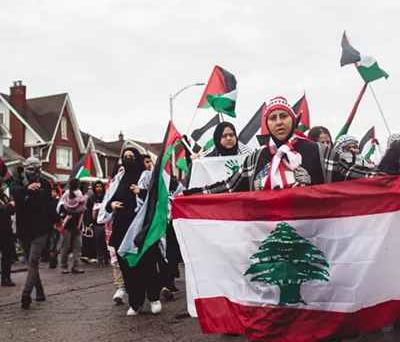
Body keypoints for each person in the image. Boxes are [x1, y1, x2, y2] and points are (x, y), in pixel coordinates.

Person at [184, 96, 386, 196]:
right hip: (268, 238)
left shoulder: (317, 152)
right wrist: (193, 195)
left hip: (313, 236)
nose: (279, 122)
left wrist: (389, 176)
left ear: (293, 120)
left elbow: (352, 173)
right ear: (267, 124)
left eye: (283, 116)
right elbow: (229, 186)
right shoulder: (256, 158)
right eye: (273, 118)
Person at [98, 147, 162, 316]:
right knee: (127, 267)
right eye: (125, 157)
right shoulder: (119, 178)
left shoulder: (146, 176)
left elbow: (156, 198)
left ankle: (154, 298)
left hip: (142, 229)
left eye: (131, 157)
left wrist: (140, 192)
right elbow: (108, 200)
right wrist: (111, 206)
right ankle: (135, 302)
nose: (128, 160)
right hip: (121, 228)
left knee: (146, 264)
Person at [10, 157, 60, 309]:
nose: (33, 172)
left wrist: (57, 220)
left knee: (33, 260)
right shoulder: (17, 182)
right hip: (24, 229)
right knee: (32, 262)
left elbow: (50, 205)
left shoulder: (44, 183)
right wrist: (27, 188)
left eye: (36, 169)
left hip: (41, 228)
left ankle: (26, 293)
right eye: (30, 168)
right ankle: (39, 288)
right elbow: (13, 191)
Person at [59, 178, 86, 274]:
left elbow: (60, 208)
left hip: (68, 223)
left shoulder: (65, 195)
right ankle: (75, 265)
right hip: (75, 223)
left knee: (68, 246)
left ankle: (66, 266)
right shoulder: (80, 196)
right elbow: (82, 210)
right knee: (75, 247)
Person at [85, 180, 108, 267]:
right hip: (96, 224)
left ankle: (106, 258)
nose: (99, 188)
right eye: (97, 187)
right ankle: (100, 259)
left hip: (106, 223)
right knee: (98, 242)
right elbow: (88, 213)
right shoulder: (91, 199)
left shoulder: (106, 198)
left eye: (100, 187)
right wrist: (88, 224)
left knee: (106, 242)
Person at [0, 177, 16, 287]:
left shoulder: (4, 196)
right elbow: (5, 208)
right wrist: (9, 206)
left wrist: (9, 206)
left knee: (7, 254)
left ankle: (6, 278)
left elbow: (11, 210)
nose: (4, 186)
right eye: (2, 184)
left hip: (6, 229)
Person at [48, 187, 61, 269]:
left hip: (57, 224)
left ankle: (53, 259)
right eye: (51, 192)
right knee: (51, 243)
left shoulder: (58, 202)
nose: (53, 193)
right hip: (49, 224)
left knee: (55, 242)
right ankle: (52, 260)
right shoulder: (47, 202)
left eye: (54, 192)